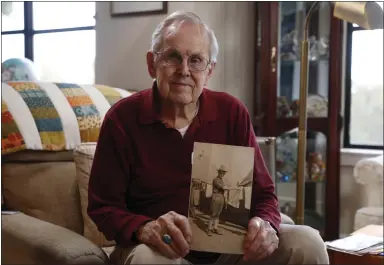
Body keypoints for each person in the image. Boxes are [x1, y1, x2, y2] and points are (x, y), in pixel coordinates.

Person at [87, 10, 329, 265]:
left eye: (196, 60)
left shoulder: (231, 112)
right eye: (172, 57)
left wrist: (266, 223)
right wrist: (145, 227)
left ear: (210, 70)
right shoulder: (122, 119)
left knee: (307, 243)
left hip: (229, 249)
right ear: (151, 63)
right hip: (159, 248)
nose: (184, 70)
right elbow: (103, 208)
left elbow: (264, 193)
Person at [207, 165, 229, 236]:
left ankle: (215, 228)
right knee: (213, 214)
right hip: (216, 197)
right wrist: (227, 187)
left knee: (218, 214)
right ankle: (209, 229)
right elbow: (222, 187)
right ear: (218, 172)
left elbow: (224, 188)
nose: (222, 174)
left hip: (221, 198)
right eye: (221, 172)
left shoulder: (221, 180)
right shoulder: (216, 180)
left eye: (223, 173)